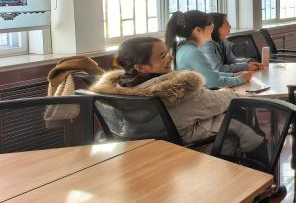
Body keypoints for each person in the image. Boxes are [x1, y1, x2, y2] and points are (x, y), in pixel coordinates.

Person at [90, 36, 263, 149]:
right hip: (189, 150)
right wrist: (231, 92)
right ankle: (263, 182)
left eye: (168, 53)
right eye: (162, 56)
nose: (170, 58)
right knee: (242, 124)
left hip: (142, 151)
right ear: (140, 67)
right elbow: (216, 102)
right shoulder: (178, 91)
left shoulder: (115, 93)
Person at [165, 10, 252, 89]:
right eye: (210, 24)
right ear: (198, 30)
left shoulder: (183, 48)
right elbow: (214, 82)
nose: (213, 27)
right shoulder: (194, 52)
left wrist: (233, 75)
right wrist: (241, 79)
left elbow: (210, 74)